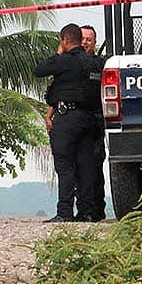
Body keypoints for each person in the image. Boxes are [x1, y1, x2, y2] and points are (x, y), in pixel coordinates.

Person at [34, 24, 99, 222]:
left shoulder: (64, 61)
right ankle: (87, 212)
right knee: (86, 165)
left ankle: (65, 212)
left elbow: (40, 70)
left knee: (65, 165)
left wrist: (58, 53)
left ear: (64, 40)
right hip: (90, 119)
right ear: (81, 40)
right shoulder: (95, 63)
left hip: (67, 118)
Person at [81, 25, 106, 222]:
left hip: (97, 120)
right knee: (77, 167)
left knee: (95, 165)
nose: (85, 42)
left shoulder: (102, 64)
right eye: (82, 38)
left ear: (95, 42)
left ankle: (97, 210)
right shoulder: (69, 64)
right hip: (76, 120)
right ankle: (82, 210)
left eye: (89, 39)